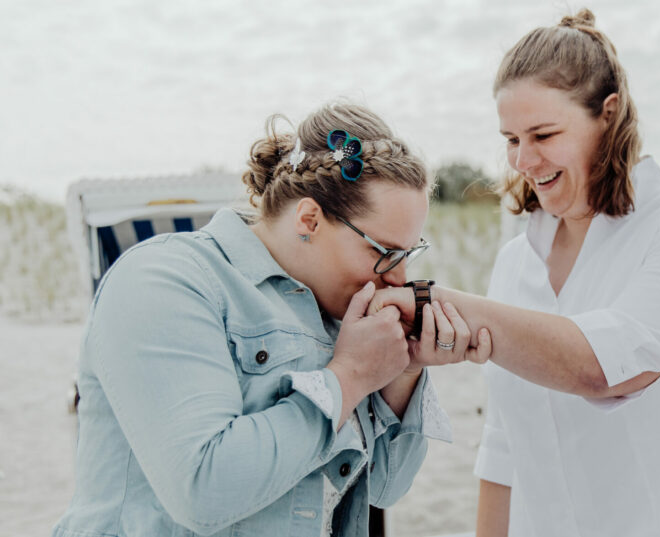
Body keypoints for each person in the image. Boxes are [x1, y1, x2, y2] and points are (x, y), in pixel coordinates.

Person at [369, 9, 660, 536]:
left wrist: (433, 301)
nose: (522, 160)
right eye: (512, 139)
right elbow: (504, 446)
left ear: (609, 115)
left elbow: (605, 369)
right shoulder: (516, 261)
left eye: (543, 134)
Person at [52, 102, 489, 537]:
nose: (398, 278)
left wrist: (404, 370)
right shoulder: (163, 278)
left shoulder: (340, 316)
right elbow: (202, 491)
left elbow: (388, 488)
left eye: (407, 255)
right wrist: (350, 376)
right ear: (309, 219)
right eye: (382, 252)